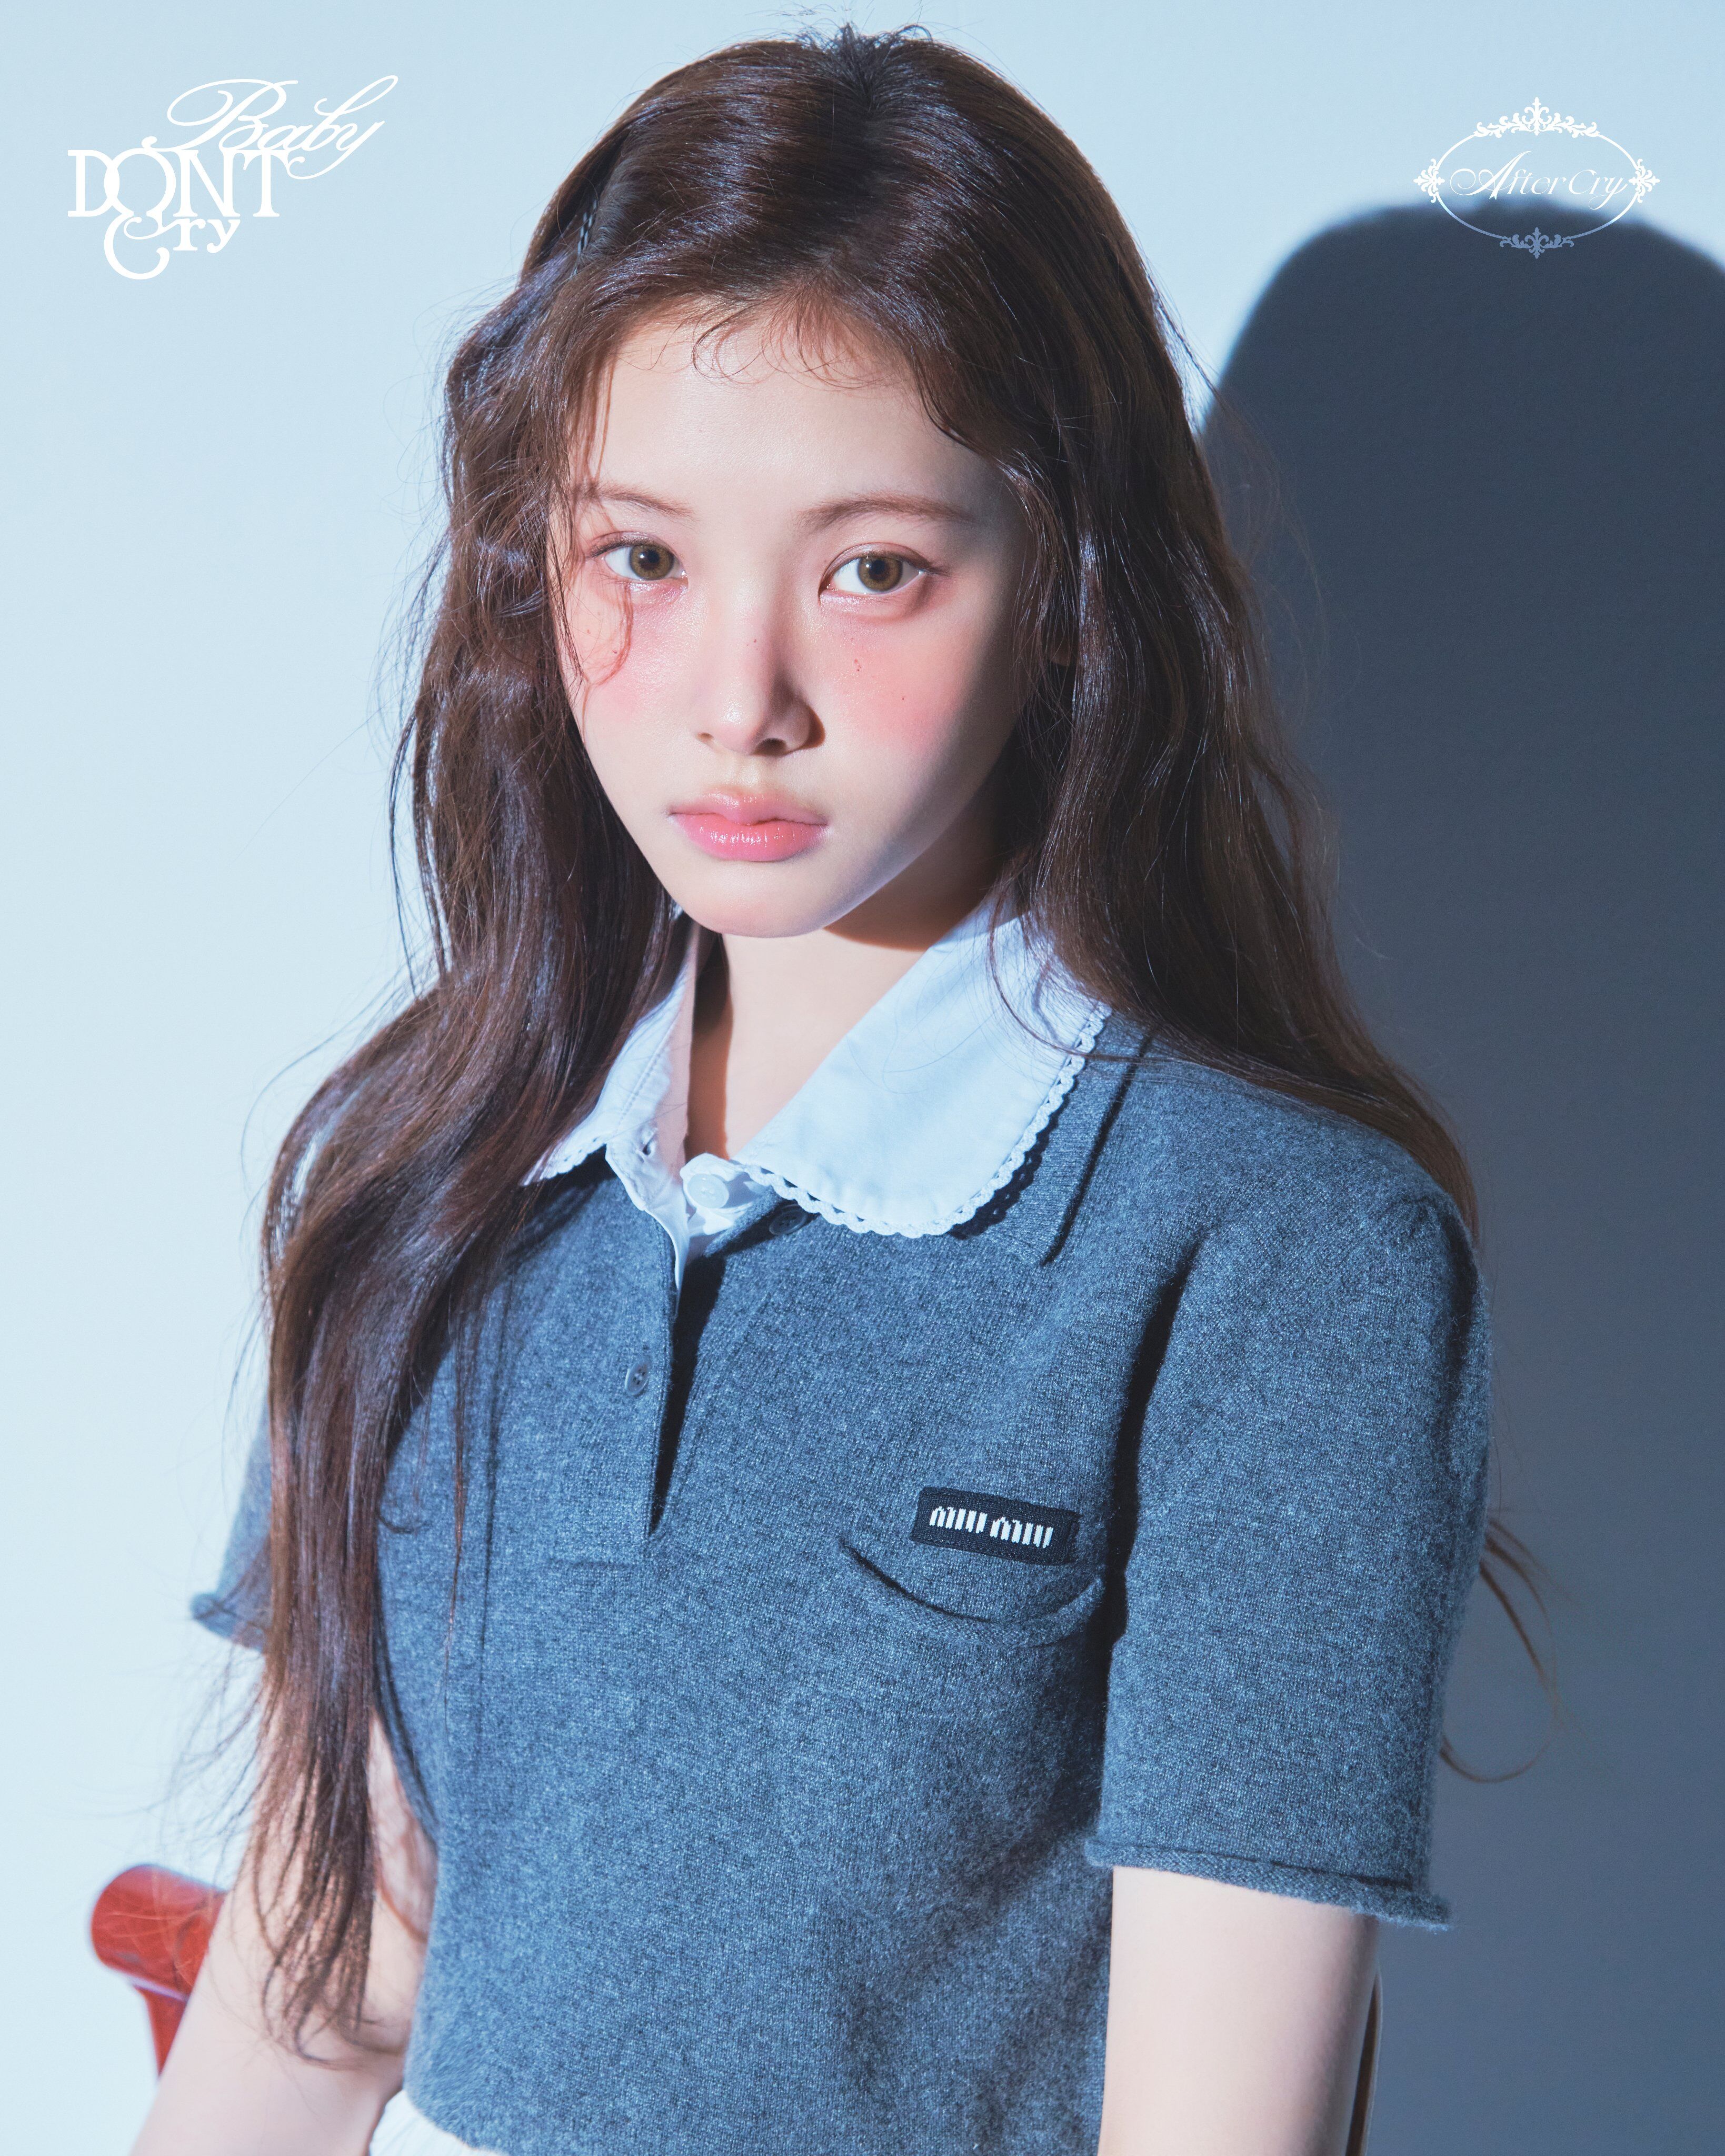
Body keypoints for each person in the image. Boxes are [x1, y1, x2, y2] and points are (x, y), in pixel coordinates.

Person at [133, 25, 1505, 2156]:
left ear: (1065, 592)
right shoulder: (432, 1176)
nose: (738, 702)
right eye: (641, 558)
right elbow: (322, 2006)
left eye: (873, 567)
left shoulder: (1279, 1250)